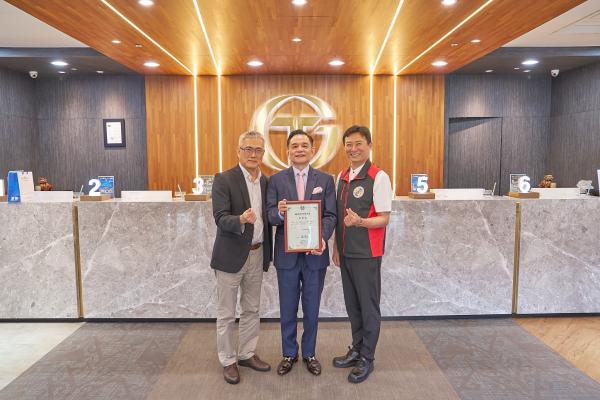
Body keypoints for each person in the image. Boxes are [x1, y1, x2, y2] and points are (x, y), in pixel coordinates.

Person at [266, 130, 337, 376]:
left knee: (312, 307)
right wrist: (280, 212)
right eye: (294, 146)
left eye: (304, 145)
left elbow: (330, 215)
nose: (299, 149)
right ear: (288, 151)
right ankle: (289, 353)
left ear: (312, 150)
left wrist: (321, 238)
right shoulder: (276, 180)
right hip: (286, 256)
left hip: (315, 255)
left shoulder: (325, 180)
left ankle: (309, 353)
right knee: (287, 307)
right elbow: (269, 215)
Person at [331, 125, 393, 383]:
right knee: (353, 306)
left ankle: (367, 357)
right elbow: (338, 218)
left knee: (368, 307)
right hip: (346, 253)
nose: (353, 149)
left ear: (369, 146)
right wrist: (336, 247)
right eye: (349, 144)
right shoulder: (342, 176)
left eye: (358, 144)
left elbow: (384, 218)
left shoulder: (379, 177)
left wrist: (361, 222)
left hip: (367, 253)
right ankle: (357, 349)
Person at [210, 130, 272, 384]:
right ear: (238, 151)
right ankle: (228, 360)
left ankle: (246, 353)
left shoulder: (266, 182)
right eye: (248, 149)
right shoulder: (224, 179)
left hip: (257, 253)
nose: (253, 154)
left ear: (263, 154)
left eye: (258, 150)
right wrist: (241, 219)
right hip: (230, 256)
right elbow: (220, 217)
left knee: (251, 309)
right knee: (226, 313)